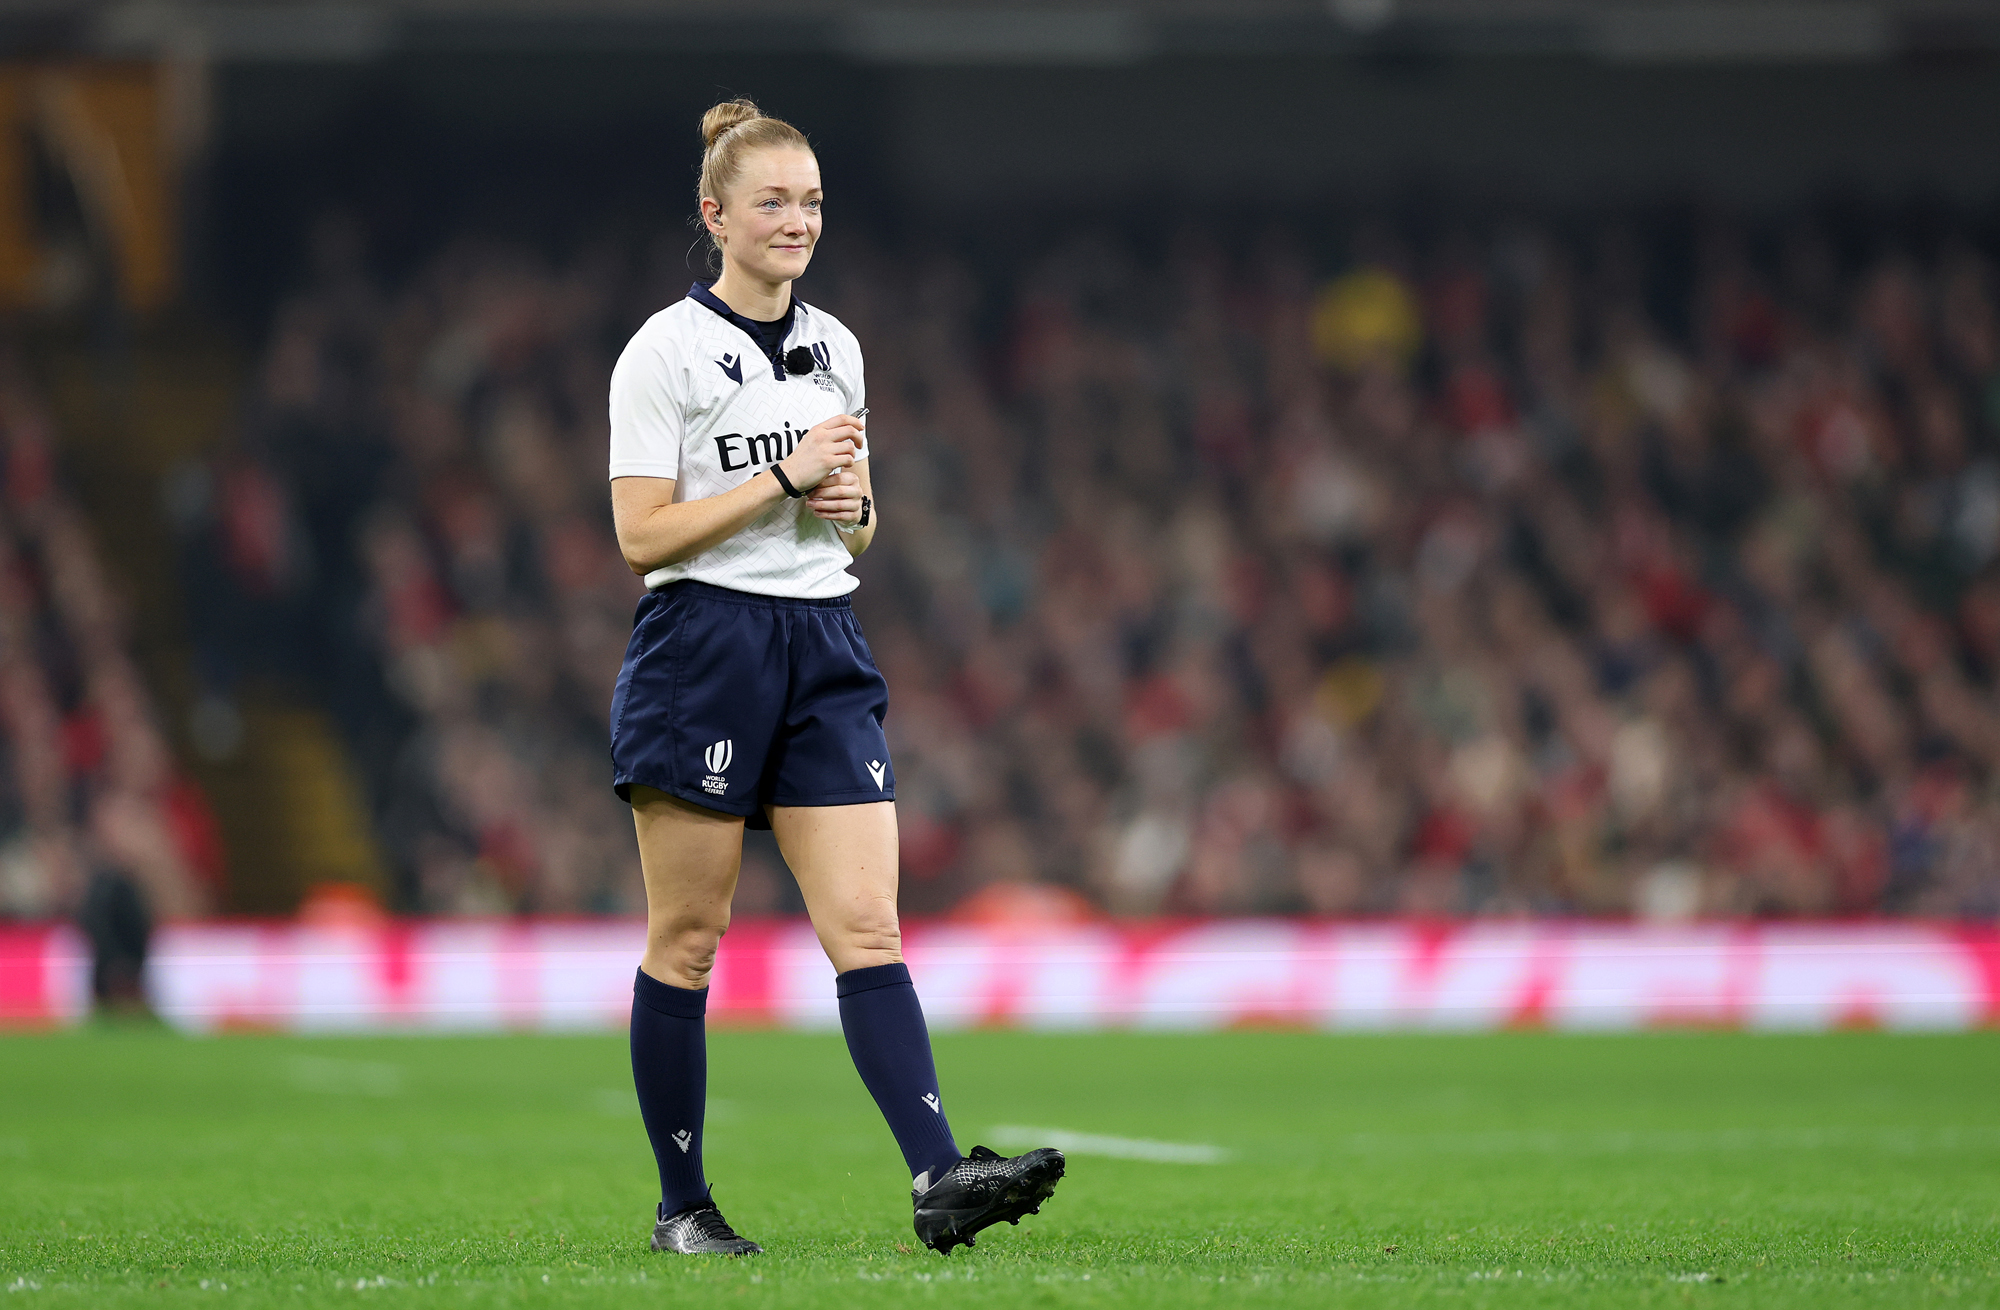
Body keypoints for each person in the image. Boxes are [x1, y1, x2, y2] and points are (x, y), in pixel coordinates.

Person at [606, 98, 1065, 1257]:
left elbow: (853, 525)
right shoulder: (661, 350)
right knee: (690, 939)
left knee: (868, 923)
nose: (796, 220)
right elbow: (640, 537)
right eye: (771, 200)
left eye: (809, 201)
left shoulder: (838, 345)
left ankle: (937, 1174)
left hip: (823, 641)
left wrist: (853, 511)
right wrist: (784, 477)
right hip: (703, 645)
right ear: (714, 214)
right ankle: (683, 1207)